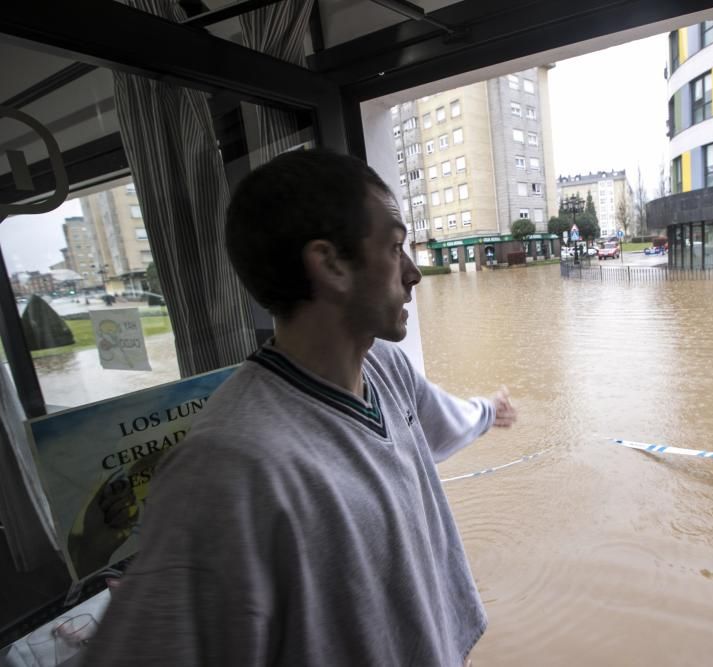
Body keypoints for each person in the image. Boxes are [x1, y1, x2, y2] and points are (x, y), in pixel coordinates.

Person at [81, 150, 517, 666]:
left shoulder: (389, 372)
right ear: (331, 264)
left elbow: (442, 424)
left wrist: (489, 410)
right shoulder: (227, 469)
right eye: (396, 246)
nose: (414, 272)